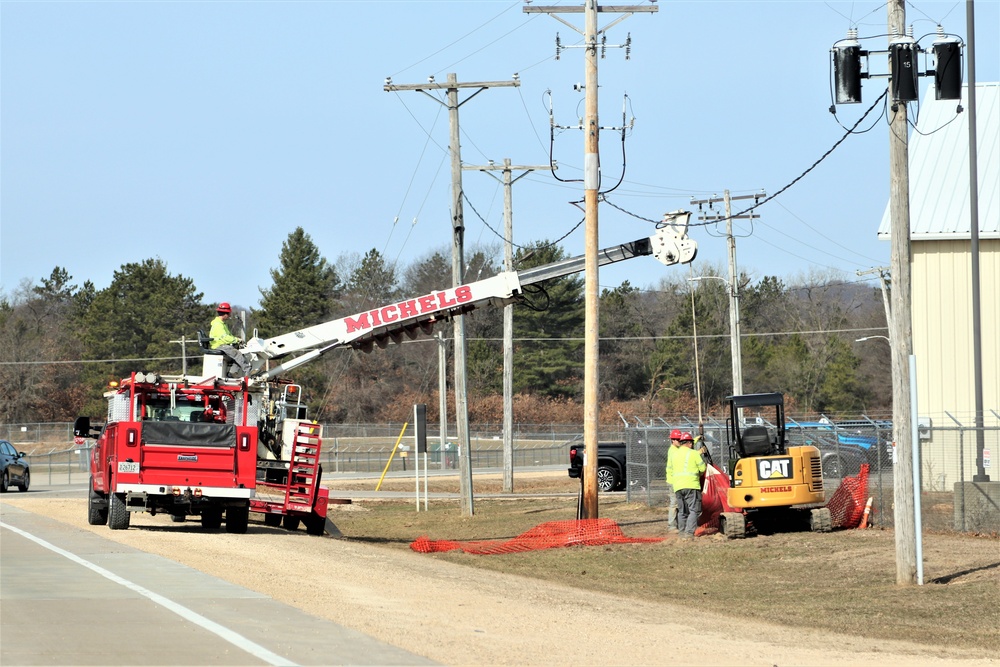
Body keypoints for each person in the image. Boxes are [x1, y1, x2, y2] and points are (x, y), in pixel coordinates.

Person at [674, 431, 707, 539]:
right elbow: (702, 468)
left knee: (682, 511)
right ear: (689, 443)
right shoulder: (693, 453)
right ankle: (689, 534)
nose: (692, 445)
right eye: (691, 443)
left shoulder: (675, 454)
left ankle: (681, 533)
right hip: (691, 485)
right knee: (694, 510)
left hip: (678, 486)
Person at [209, 302, 250, 377]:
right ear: (225, 314)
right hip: (218, 345)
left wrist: (236, 339)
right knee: (237, 354)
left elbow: (229, 336)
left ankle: (232, 372)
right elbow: (225, 337)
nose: (229, 316)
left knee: (240, 353)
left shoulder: (222, 324)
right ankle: (248, 370)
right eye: (229, 314)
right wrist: (236, 340)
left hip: (221, 344)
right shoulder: (218, 324)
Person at [664, 429, 684, 533]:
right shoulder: (674, 451)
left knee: (678, 503)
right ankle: (671, 526)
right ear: (673, 440)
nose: (680, 442)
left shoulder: (676, 449)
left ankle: (677, 524)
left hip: (676, 480)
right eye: (678, 440)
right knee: (674, 503)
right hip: (673, 481)